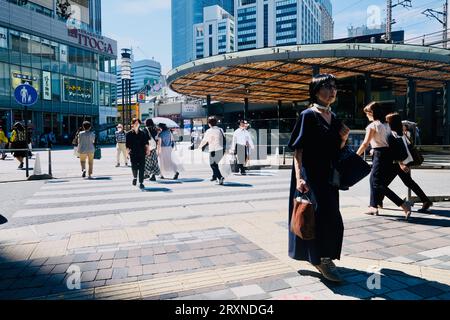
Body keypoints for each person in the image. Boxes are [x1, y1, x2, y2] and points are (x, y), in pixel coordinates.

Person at [288, 74, 350, 283]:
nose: (332, 90)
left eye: (334, 86)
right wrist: (299, 178)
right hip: (310, 175)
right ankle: (321, 259)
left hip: (329, 177)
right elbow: (298, 150)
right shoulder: (308, 115)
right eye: (326, 87)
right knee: (317, 218)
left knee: (333, 219)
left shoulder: (335, 117)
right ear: (315, 91)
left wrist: (343, 138)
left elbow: (337, 150)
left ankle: (323, 257)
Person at [356, 102, 412, 219]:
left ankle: (402, 204)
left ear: (371, 113)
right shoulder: (387, 125)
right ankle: (373, 206)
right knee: (374, 181)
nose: (367, 116)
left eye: (367, 113)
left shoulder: (372, 126)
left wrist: (356, 156)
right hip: (389, 155)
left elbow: (365, 143)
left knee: (377, 183)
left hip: (379, 155)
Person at [385, 113, 432, 213]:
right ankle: (425, 200)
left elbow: (398, 150)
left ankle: (376, 203)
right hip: (402, 162)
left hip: (399, 163)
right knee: (409, 182)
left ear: (391, 122)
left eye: (387, 121)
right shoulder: (401, 132)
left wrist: (401, 164)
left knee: (381, 184)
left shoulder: (395, 134)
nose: (386, 122)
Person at [198, 116, 226, 185]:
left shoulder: (209, 131)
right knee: (215, 164)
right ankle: (214, 176)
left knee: (212, 164)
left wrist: (200, 146)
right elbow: (224, 138)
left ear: (209, 123)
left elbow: (204, 140)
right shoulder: (220, 129)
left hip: (213, 150)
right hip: (221, 149)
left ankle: (220, 177)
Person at [126, 118, 149, 189]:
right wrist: (127, 154)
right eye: (135, 123)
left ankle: (141, 182)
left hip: (142, 153)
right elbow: (127, 145)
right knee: (134, 167)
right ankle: (135, 177)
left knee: (142, 168)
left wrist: (148, 150)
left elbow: (146, 143)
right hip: (133, 153)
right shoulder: (129, 134)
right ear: (132, 124)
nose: (136, 124)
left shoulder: (143, 133)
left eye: (138, 123)